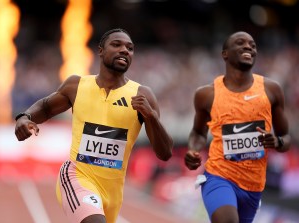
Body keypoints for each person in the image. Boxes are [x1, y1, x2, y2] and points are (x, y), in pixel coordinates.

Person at [15, 28, 173, 223]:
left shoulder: (142, 95)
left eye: (130, 48)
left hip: (113, 192)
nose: (124, 50)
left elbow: (164, 153)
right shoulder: (77, 85)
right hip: (77, 176)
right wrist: (24, 117)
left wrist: (151, 118)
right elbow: (46, 107)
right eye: (117, 45)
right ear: (100, 51)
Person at [184, 31, 291, 223]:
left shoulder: (271, 90)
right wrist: (193, 149)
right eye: (240, 43)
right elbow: (198, 132)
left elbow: (286, 139)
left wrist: (277, 141)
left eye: (253, 44)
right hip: (219, 177)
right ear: (225, 54)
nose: (248, 46)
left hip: (253, 186)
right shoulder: (207, 94)